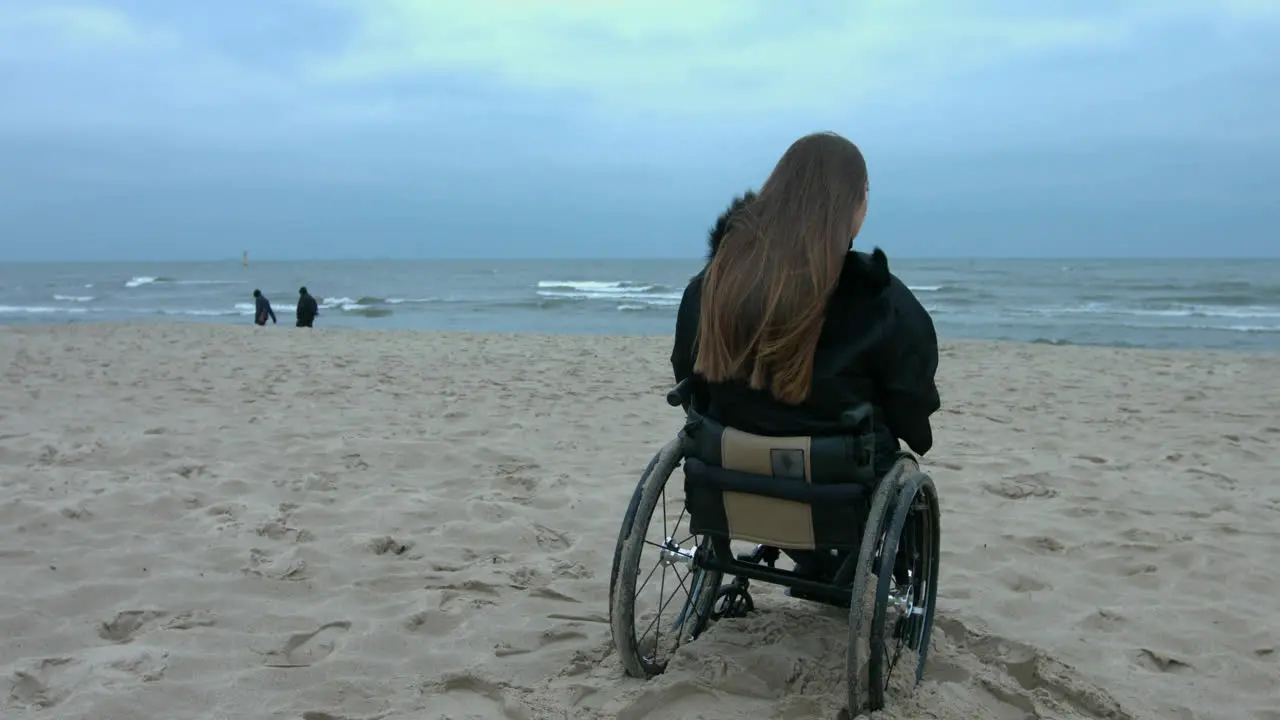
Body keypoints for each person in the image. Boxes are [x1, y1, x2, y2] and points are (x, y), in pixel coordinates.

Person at [670, 131, 940, 577]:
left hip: (730, 465)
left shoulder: (715, 284)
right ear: (848, 204)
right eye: (864, 195)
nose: (866, 207)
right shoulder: (876, 299)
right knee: (896, 461)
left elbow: (689, 372)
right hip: (834, 484)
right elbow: (911, 396)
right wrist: (913, 433)